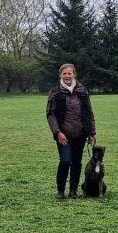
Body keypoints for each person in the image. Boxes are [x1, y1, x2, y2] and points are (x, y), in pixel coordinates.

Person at [46, 63, 96, 200]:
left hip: (80, 134)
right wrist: (57, 132)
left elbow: (88, 112)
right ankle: (60, 191)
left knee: (76, 163)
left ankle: (73, 191)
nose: (67, 76)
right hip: (63, 135)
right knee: (65, 161)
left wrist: (91, 132)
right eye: (64, 73)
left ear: (74, 74)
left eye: (69, 73)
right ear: (60, 75)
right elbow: (50, 114)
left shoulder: (82, 91)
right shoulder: (55, 92)